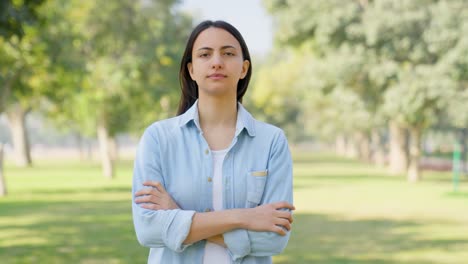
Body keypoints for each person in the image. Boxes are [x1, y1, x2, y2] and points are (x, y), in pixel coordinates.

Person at [132, 20, 294, 264]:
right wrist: (244, 217)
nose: (216, 62)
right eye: (205, 54)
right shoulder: (158, 139)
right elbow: (148, 231)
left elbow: (274, 240)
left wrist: (177, 216)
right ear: (191, 70)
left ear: (244, 68)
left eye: (228, 53)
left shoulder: (272, 141)